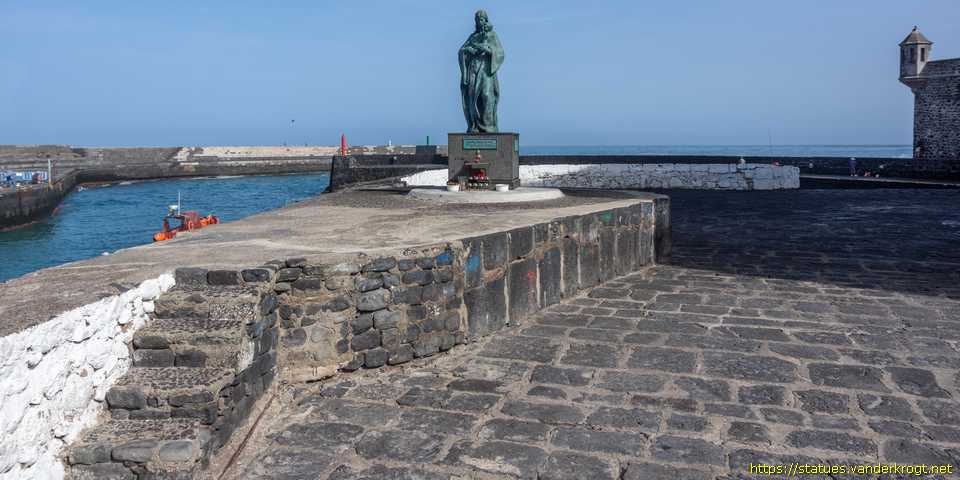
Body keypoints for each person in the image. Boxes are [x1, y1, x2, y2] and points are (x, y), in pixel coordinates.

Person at [459, 10, 505, 133]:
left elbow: (500, 53)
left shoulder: (492, 35)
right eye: (477, 19)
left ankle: (488, 125)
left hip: (486, 70)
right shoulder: (473, 37)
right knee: (473, 97)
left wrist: (488, 50)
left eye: (481, 19)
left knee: (486, 95)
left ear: (485, 20)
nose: (479, 21)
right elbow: (462, 51)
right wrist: (468, 50)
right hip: (474, 69)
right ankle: (475, 125)